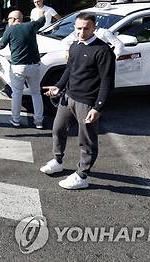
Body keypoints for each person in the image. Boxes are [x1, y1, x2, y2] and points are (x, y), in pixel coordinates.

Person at [41, 12, 116, 190]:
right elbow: (69, 69)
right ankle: (58, 160)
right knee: (58, 129)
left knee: (87, 140)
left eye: (86, 28)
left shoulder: (103, 51)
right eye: (78, 28)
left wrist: (98, 107)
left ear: (94, 28)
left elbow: (107, 82)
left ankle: (82, 175)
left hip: (87, 101)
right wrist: (58, 87)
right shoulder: (75, 45)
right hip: (68, 97)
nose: (82, 32)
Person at [0, 10, 46, 128]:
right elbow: (42, 21)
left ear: (14, 19)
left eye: (9, 18)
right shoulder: (31, 26)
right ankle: (39, 121)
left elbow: (0, 45)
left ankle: (16, 120)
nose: (8, 21)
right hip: (34, 65)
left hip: (18, 67)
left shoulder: (10, 30)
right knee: (36, 93)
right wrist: (42, 13)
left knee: (17, 94)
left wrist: (7, 32)